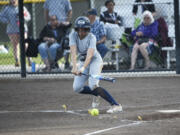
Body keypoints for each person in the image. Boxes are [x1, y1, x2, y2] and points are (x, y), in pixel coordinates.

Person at [69, 16, 122, 113]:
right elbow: (73, 51)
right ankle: (96, 93)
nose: (81, 33)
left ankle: (116, 105)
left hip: (95, 61)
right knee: (77, 88)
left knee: (93, 85)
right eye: (79, 30)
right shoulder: (73, 35)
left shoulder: (92, 38)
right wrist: (75, 66)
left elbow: (89, 56)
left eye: (84, 30)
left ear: (88, 29)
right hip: (82, 61)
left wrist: (83, 68)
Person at [0, 0, 31, 67]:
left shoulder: (22, 7)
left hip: (22, 29)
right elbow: (1, 16)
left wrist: (23, 17)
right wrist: (7, 20)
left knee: (25, 44)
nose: (13, 0)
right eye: (11, 0)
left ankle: (29, 59)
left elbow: (28, 17)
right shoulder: (7, 9)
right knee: (15, 45)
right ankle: (17, 60)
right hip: (12, 30)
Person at [44, 0, 72, 70]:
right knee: (53, 44)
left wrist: (67, 22)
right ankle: (54, 62)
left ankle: (66, 62)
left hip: (62, 25)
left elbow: (70, 11)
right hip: (52, 25)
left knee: (66, 43)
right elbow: (46, 11)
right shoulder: (48, 1)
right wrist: (47, 23)